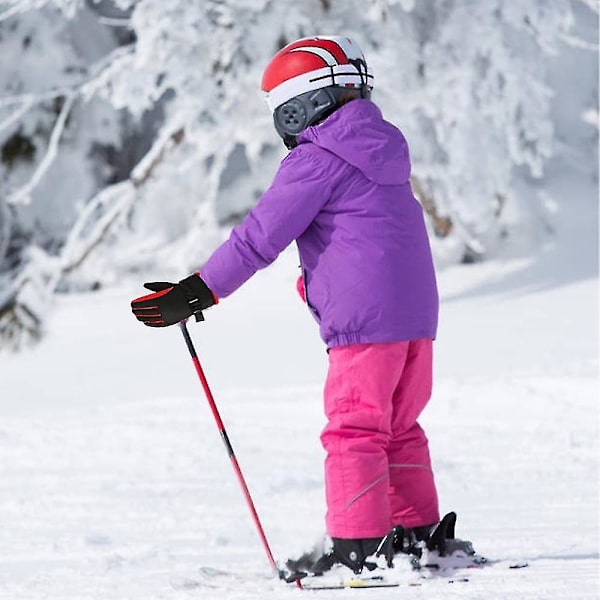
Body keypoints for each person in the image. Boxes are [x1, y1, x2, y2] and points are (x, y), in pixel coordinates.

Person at [131, 35, 471, 576]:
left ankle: (357, 548)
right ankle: (415, 533)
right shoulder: (382, 145)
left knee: (354, 429)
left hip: (364, 324)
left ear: (300, 106)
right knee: (399, 425)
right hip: (416, 320)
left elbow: (257, 237)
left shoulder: (317, 158)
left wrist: (198, 291)